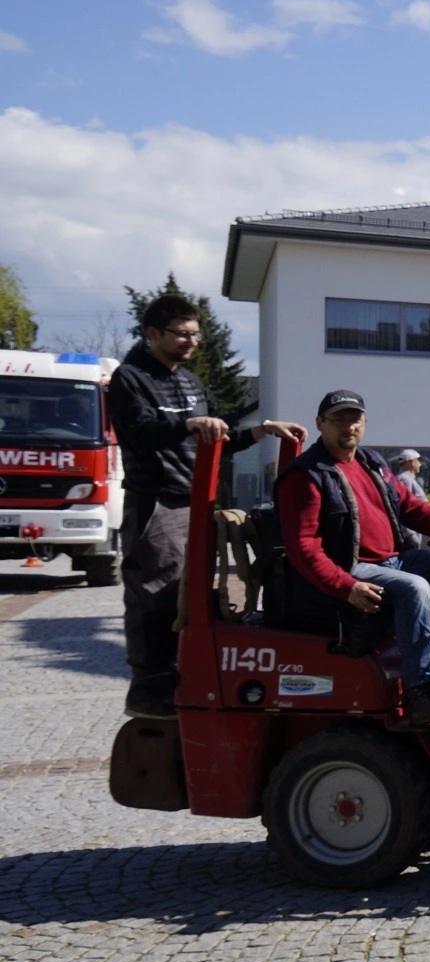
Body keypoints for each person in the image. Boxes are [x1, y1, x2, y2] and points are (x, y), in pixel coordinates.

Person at [107, 294, 307, 718]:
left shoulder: (190, 382)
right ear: (152, 333)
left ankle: (187, 675)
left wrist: (262, 430)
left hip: (199, 498)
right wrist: (187, 423)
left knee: (194, 593)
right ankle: (148, 689)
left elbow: (222, 437)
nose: (191, 342)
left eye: (196, 335)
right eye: (181, 334)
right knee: (156, 593)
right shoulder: (130, 378)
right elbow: (140, 431)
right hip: (156, 501)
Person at [275, 390, 430, 725]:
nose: (349, 426)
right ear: (320, 424)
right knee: (414, 588)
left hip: (395, 559)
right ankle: (423, 695)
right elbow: (303, 547)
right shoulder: (306, 475)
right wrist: (346, 586)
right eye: (339, 419)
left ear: (364, 423)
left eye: (355, 419)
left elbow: (412, 509)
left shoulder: (371, 462)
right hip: (353, 568)